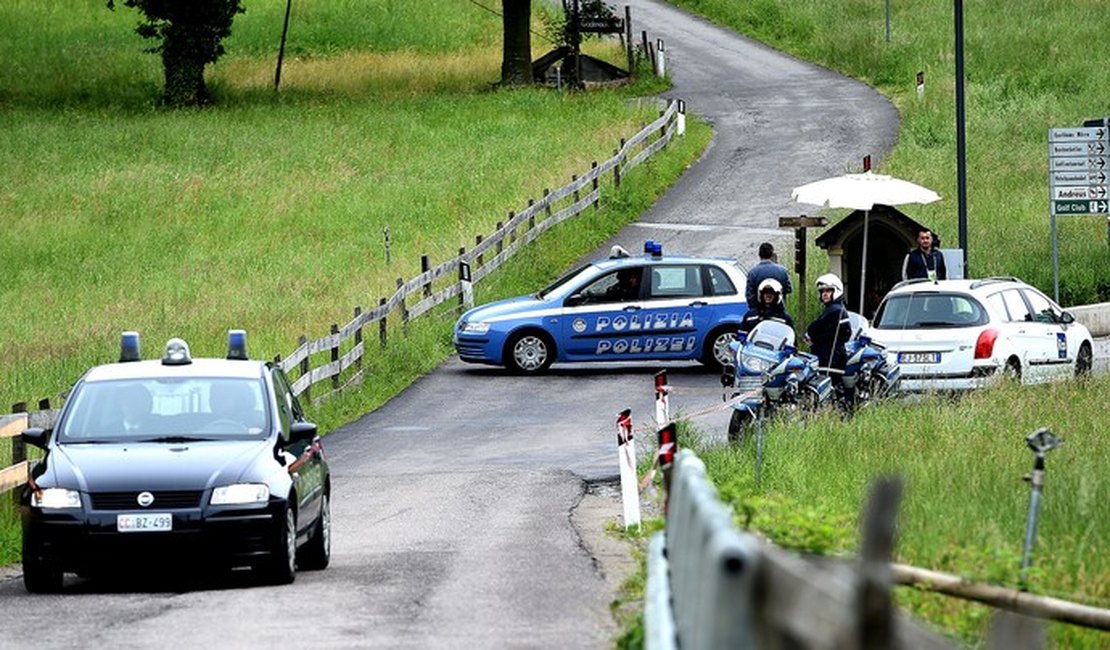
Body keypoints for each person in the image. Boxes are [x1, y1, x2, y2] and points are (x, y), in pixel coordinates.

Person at [805, 274, 853, 405]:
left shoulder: (834, 311)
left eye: (828, 291)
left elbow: (814, 329)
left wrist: (814, 337)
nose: (824, 294)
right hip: (829, 355)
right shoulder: (833, 309)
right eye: (822, 292)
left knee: (830, 388)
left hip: (831, 357)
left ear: (836, 291)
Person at [746, 242, 793, 308]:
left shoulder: (752, 272)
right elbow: (789, 289)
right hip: (779, 310)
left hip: (759, 311)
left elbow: (749, 295)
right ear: (771, 254)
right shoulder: (783, 271)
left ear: (759, 255)